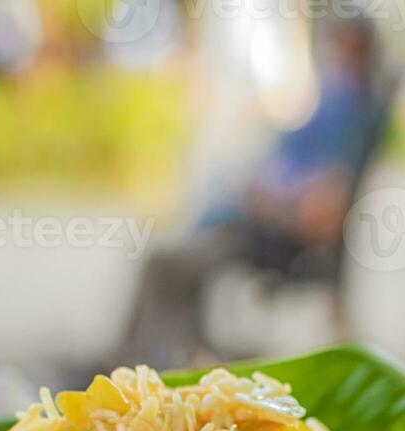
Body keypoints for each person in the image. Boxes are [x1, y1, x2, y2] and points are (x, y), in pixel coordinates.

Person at [122, 15, 387, 368]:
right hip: (250, 223)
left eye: (338, 43)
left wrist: (268, 200)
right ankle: (146, 359)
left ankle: (146, 364)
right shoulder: (337, 101)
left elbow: (322, 211)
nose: (330, 52)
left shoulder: (347, 109)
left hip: (271, 237)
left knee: (167, 263)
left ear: (354, 48)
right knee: (171, 259)